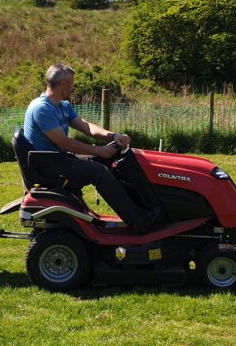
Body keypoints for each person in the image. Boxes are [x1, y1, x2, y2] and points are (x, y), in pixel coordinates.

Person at [22, 64, 161, 231]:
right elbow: (64, 143)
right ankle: (137, 220)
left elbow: (86, 127)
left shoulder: (63, 106)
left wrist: (113, 136)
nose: (73, 88)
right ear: (64, 83)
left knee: (106, 161)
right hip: (48, 165)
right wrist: (98, 150)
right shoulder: (41, 109)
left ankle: (138, 209)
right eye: (72, 83)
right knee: (98, 171)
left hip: (58, 159)